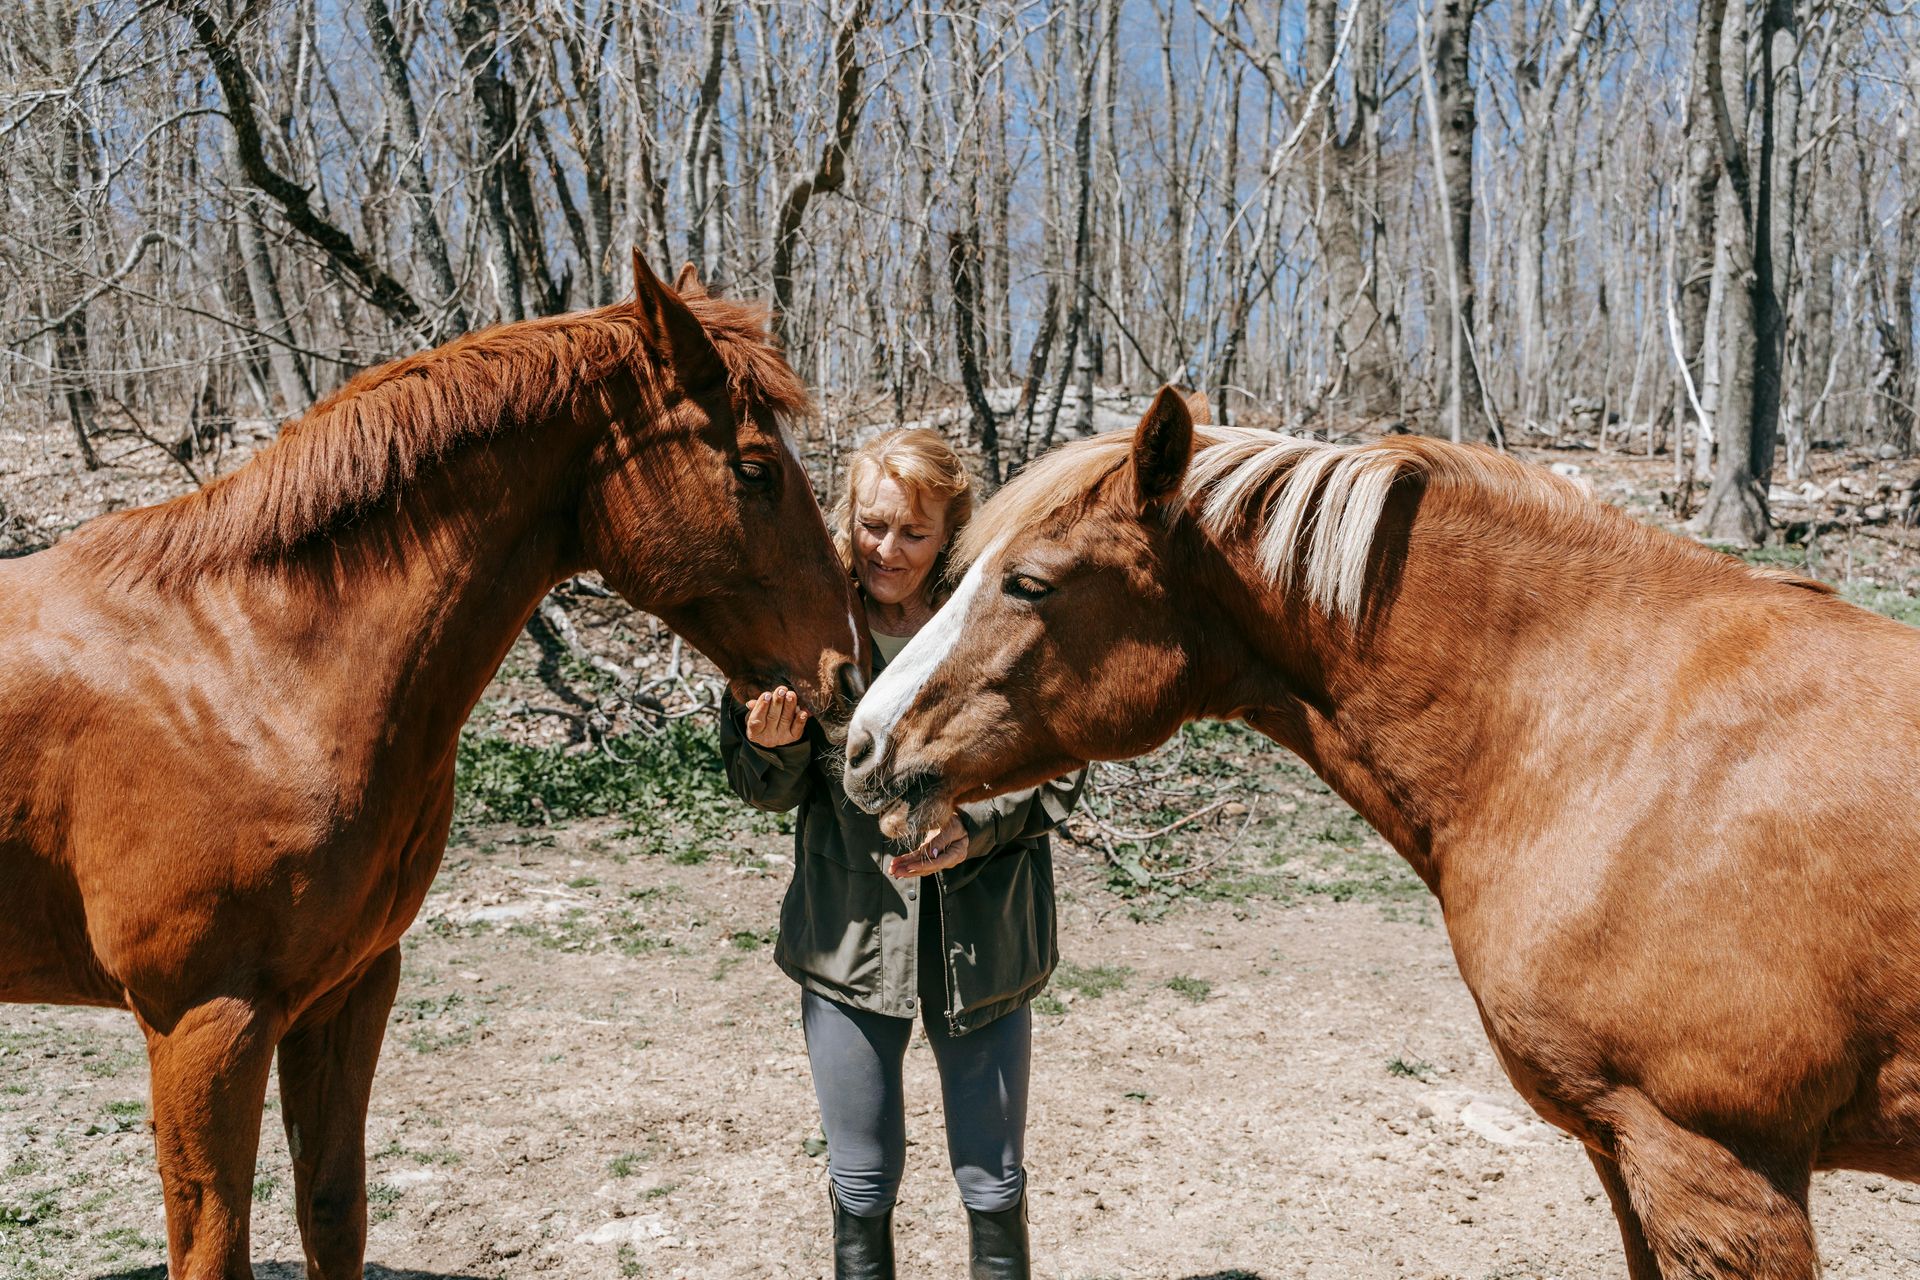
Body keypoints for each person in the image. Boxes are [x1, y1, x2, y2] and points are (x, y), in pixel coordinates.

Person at [721, 428, 1084, 1280]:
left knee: (991, 1179)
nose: (887, 549)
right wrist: (770, 745)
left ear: (953, 530)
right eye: (873, 525)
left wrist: (980, 822)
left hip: (986, 937)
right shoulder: (805, 619)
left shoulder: (1007, 616)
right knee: (861, 1178)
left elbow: (1067, 772)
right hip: (848, 939)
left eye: (914, 533)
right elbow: (761, 789)